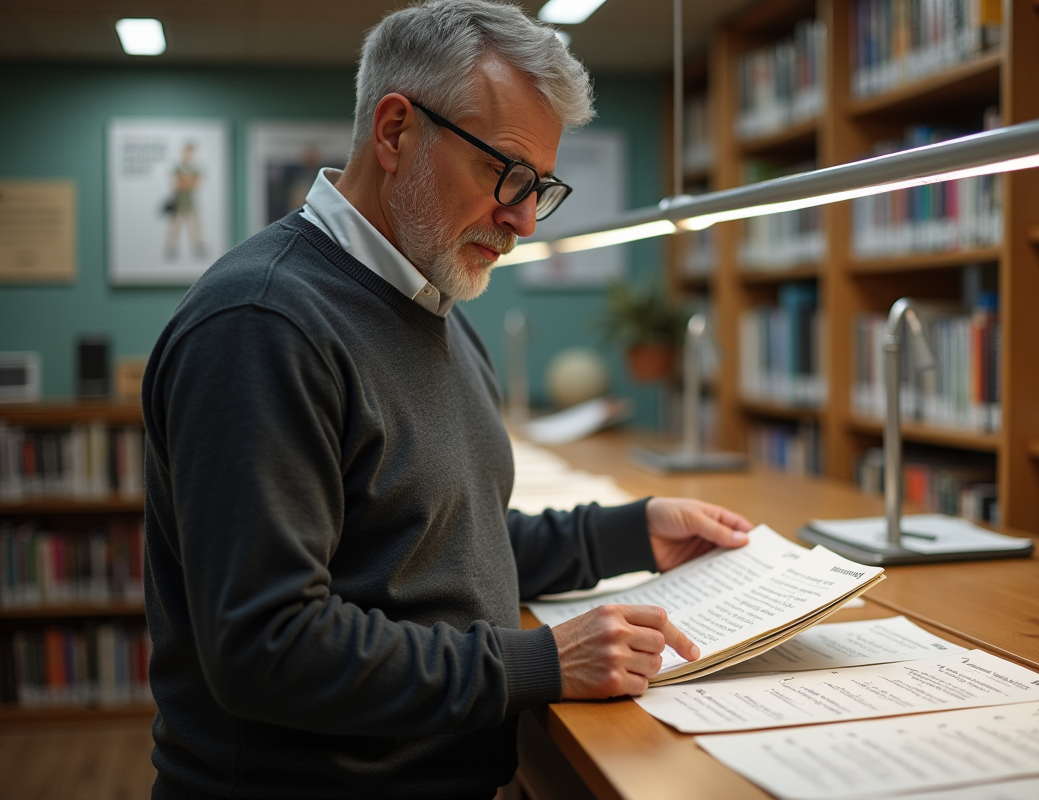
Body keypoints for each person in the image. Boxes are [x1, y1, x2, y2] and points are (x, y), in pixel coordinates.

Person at [140, 2, 752, 799]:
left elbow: (433, 544)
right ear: (395, 131)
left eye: (542, 188)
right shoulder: (263, 324)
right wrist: (541, 660)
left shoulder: (435, 309)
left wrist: (628, 533)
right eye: (506, 173)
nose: (525, 219)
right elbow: (268, 647)